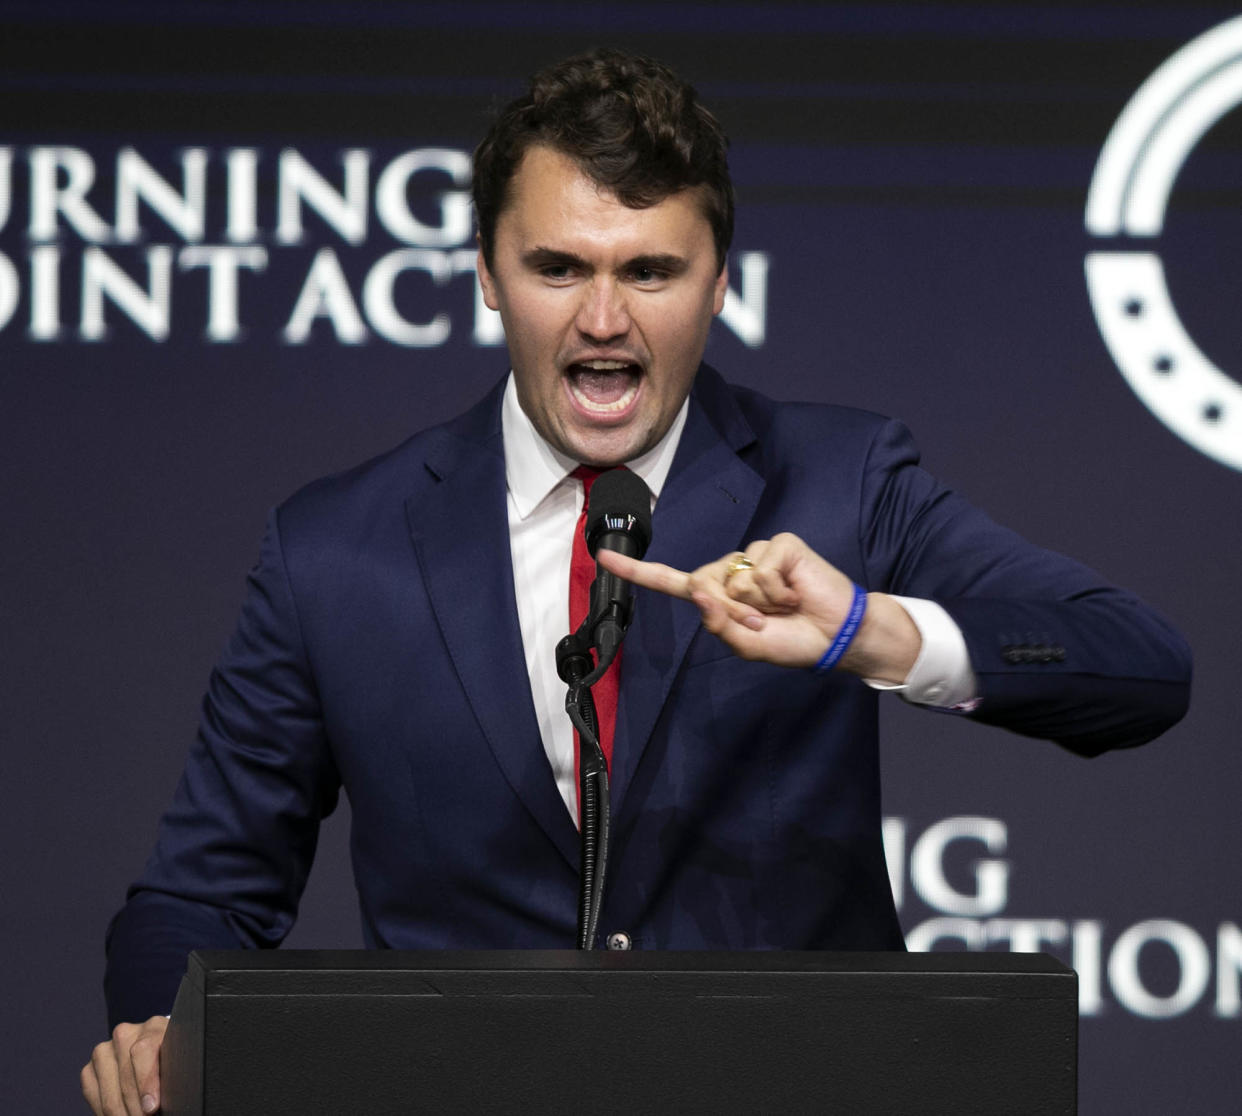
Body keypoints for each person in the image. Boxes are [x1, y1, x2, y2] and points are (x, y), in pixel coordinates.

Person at [81, 48, 1191, 1115]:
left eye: (650, 270)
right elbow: (200, 890)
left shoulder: (839, 484)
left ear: (717, 284)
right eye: (557, 267)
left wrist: (873, 633)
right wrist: (153, 1030)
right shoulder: (335, 550)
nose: (603, 319)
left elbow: (1139, 669)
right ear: (485, 274)